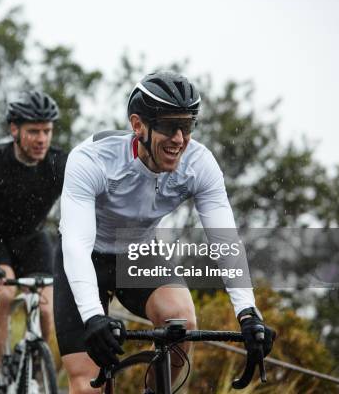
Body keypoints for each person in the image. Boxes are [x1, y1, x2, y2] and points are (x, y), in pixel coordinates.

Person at [55, 71, 275, 393]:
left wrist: (247, 312)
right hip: (86, 257)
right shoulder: (92, 160)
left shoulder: (199, 164)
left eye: (187, 126)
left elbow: (226, 241)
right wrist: (92, 316)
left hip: (136, 254)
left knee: (182, 322)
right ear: (138, 125)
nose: (179, 139)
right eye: (169, 126)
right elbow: (76, 244)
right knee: (89, 385)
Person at [0, 91, 67, 394]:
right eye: (33, 131)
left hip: (32, 238)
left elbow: (88, 205)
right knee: (4, 297)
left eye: (47, 131)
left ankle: (34, 369)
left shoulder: (58, 163)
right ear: (14, 130)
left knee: (47, 308)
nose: (41, 139)